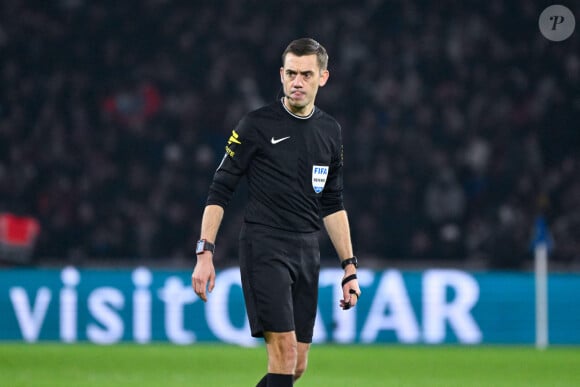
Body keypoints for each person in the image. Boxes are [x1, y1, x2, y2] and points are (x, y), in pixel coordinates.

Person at [191, 38, 361, 387]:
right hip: (264, 246)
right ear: (281, 75)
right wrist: (204, 251)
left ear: (323, 78)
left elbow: (332, 202)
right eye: (291, 74)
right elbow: (220, 189)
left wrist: (349, 267)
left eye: (306, 75)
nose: (297, 82)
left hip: (307, 249)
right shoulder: (256, 125)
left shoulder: (330, 131)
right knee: (282, 354)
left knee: (296, 365)